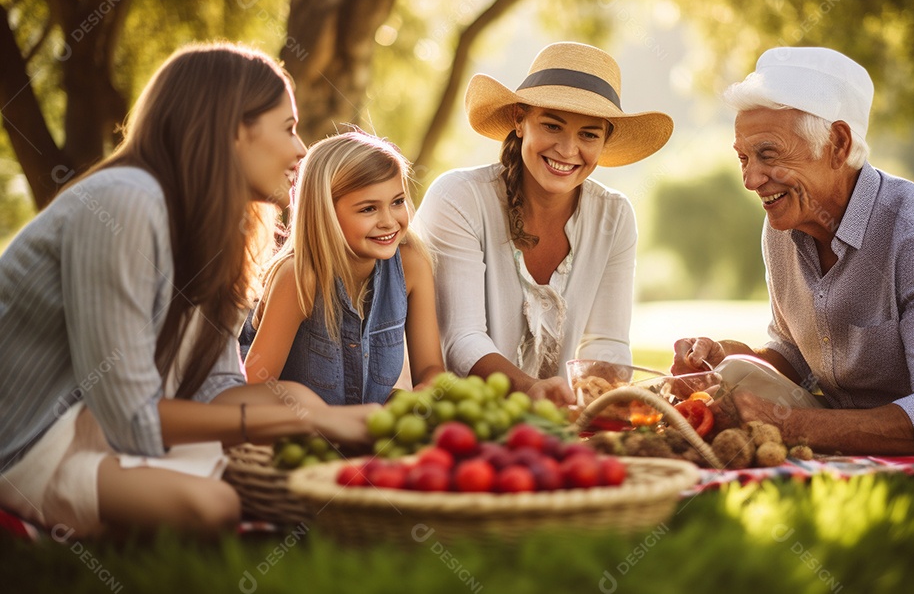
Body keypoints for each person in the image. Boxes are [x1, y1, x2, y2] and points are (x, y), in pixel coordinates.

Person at [0, 43, 378, 538]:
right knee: (212, 507)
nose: (301, 149)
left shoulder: (221, 233)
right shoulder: (125, 203)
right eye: (287, 128)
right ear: (233, 130)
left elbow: (216, 390)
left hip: (102, 424)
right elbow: (132, 421)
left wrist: (314, 409)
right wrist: (319, 423)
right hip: (31, 439)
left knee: (279, 430)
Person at [672, 47, 914, 456]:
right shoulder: (783, 225)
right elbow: (794, 355)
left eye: (768, 155)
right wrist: (719, 355)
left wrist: (783, 424)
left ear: (838, 144)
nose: (751, 179)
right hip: (850, 412)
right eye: (743, 157)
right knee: (731, 373)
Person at [415, 42, 673, 404]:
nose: (568, 150)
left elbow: (607, 342)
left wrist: (597, 401)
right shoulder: (459, 198)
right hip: (456, 417)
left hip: (551, 427)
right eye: (552, 125)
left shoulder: (614, 216)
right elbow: (461, 338)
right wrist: (530, 388)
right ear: (520, 120)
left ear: (604, 141)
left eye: (589, 134)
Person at [240, 132, 444, 403]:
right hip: (294, 434)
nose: (389, 221)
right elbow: (252, 393)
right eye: (368, 209)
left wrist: (423, 394)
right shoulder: (300, 277)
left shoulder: (411, 263)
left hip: (362, 436)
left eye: (397, 202)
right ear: (326, 213)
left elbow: (430, 368)